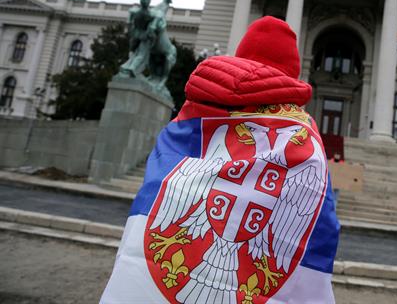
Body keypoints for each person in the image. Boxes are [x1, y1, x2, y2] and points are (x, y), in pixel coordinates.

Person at [101, 16, 340, 304]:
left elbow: (154, 197)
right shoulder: (304, 141)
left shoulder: (186, 122)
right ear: (291, 75)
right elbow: (318, 228)